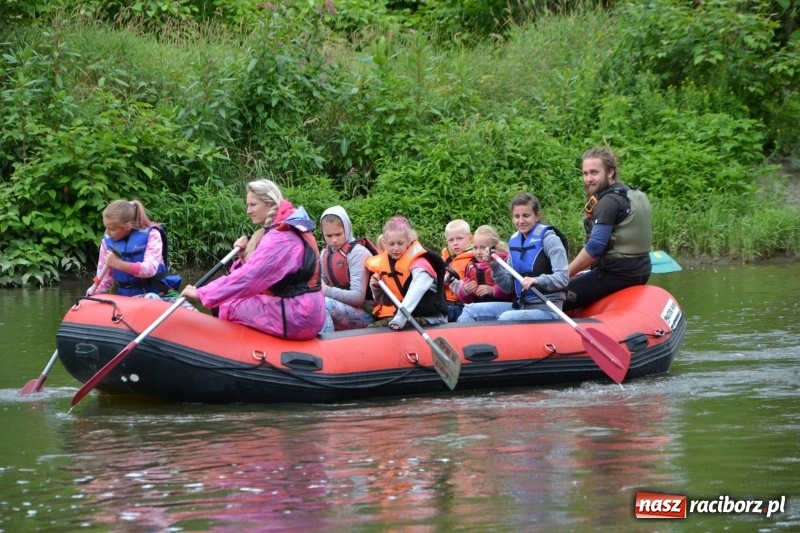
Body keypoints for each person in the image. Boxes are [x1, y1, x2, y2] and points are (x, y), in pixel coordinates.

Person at [181, 179, 326, 340]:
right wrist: (244, 257)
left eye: (253, 205)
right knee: (234, 299)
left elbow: (249, 278)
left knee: (222, 305)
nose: (248, 211)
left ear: (269, 204)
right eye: (248, 205)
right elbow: (263, 276)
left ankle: (230, 350)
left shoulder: (282, 238)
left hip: (298, 316)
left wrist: (202, 293)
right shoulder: (282, 230)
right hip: (301, 310)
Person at [563, 147, 652, 311]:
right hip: (641, 269)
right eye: (585, 173)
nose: (589, 178)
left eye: (594, 173)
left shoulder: (608, 202)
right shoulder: (629, 192)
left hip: (617, 274)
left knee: (551, 294)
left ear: (610, 172)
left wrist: (562, 276)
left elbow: (594, 249)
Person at [458, 193, 569, 322]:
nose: (521, 221)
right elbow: (508, 287)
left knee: (507, 317)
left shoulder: (550, 240)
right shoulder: (515, 241)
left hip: (548, 309)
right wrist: (494, 266)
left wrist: (537, 280)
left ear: (537, 216)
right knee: (469, 310)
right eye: (516, 216)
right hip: (521, 305)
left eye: (526, 216)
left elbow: (563, 278)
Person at [366, 216, 448, 330]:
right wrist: (377, 287)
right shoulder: (390, 264)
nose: (396, 248)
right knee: (372, 329)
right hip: (408, 316)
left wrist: (400, 318)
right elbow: (388, 302)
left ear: (408, 241)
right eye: (391, 244)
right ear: (384, 243)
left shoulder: (420, 263)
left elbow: (416, 291)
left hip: (431, 317)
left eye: (400, 243)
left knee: (384, 330)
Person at [91, 199, 182, 297]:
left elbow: (150, 269)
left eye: (112, 229)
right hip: (129, 300)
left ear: (127, 226)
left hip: (159, 295)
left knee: (152, 297)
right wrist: (91, 294)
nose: (107, 233)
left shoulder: (152, 235)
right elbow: (104, 279)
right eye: (106, 227)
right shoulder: (107, 242)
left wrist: (120, 264)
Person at [319, 205, 376, 330]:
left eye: (338, 234)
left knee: (324, 304)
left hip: (367, 311)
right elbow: (319, 284)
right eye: (329, 236)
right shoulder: (325, 253)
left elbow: (358, 297)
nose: (334, 240)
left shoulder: (358, 253)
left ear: (347, 228)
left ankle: (326, 347)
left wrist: (326, 290)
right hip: (343, 306)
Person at [451, 225, 515, 305]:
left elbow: (513, 290)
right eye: (475, 247)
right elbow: (467, 301)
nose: (478, 252)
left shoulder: (504, 262)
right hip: (478, 307)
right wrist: (465, 291)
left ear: (496, 247)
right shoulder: (471, 266)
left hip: (502, 306)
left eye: (483, 248)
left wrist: (493, 290)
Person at [440, 219, 475, 321]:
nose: (455, 243)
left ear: (470, 239)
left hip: (462, 306)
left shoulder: (473, 260)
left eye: (459, 238)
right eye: (451, 240)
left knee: (439, 313)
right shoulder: (445, 259)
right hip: (444, 302)